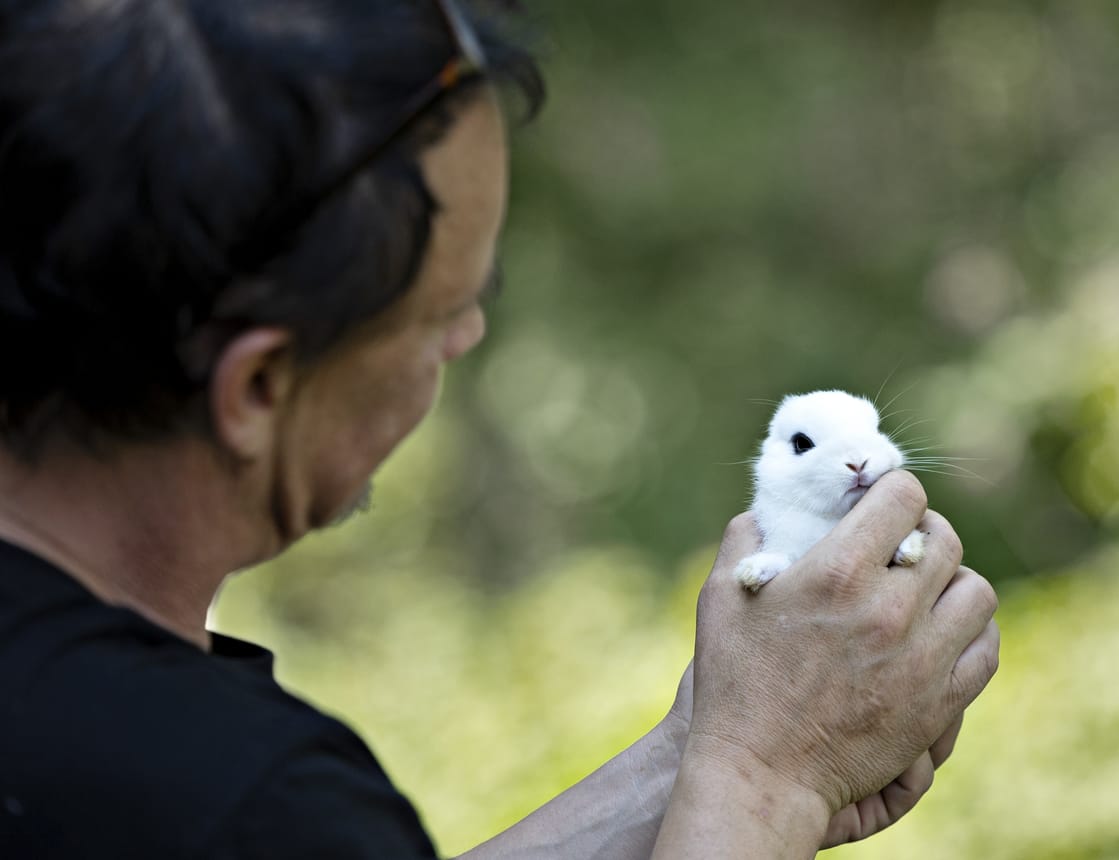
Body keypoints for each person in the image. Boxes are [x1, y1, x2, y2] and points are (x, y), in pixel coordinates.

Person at [0, 0, 1000, 857]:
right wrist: (767, 779)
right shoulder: (234, 799)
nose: (468, 336)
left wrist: (704, 743)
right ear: (259, 383)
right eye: (441, 314)